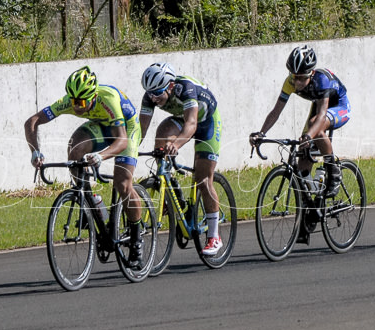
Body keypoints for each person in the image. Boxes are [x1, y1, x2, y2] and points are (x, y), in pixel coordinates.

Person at [24, 66, 145, 268]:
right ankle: (91, 200)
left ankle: (136, 238)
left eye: (81, 102)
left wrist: (100, 156)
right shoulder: (70, 101)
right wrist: (35, 152)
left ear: (93, 96)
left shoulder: (108, 99)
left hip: (127, 128)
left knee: (122, 183)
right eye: (73, 101)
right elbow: (32, 121)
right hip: (100, 124)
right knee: (75, 148)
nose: (76, 106)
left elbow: (122, 140)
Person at [138, 62, 224, 256]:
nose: (153, 98)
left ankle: (214, 236)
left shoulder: (186, 88)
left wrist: (176, 144)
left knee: (203, 179)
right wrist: (130, 147)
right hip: (181, 118)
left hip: (205, 121)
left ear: (170, 86)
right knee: (161, 134)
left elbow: (191, 125)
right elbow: (141, 129)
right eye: (150, 93)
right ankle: (169, 190)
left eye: (158, 93)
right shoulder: (151, 95)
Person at [249, 45, 351, 200]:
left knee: (313, 126)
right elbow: (276, 111)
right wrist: (262, 133)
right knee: (302, 162)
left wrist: (309, 136)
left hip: (339, 106)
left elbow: (322, 114)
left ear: (311, 73)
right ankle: (308, 209)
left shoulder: (322, 80)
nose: (297, 82)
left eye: (302, 77)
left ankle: (333, 170)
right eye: (295, 77)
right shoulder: (289, 82)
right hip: (318, 106)